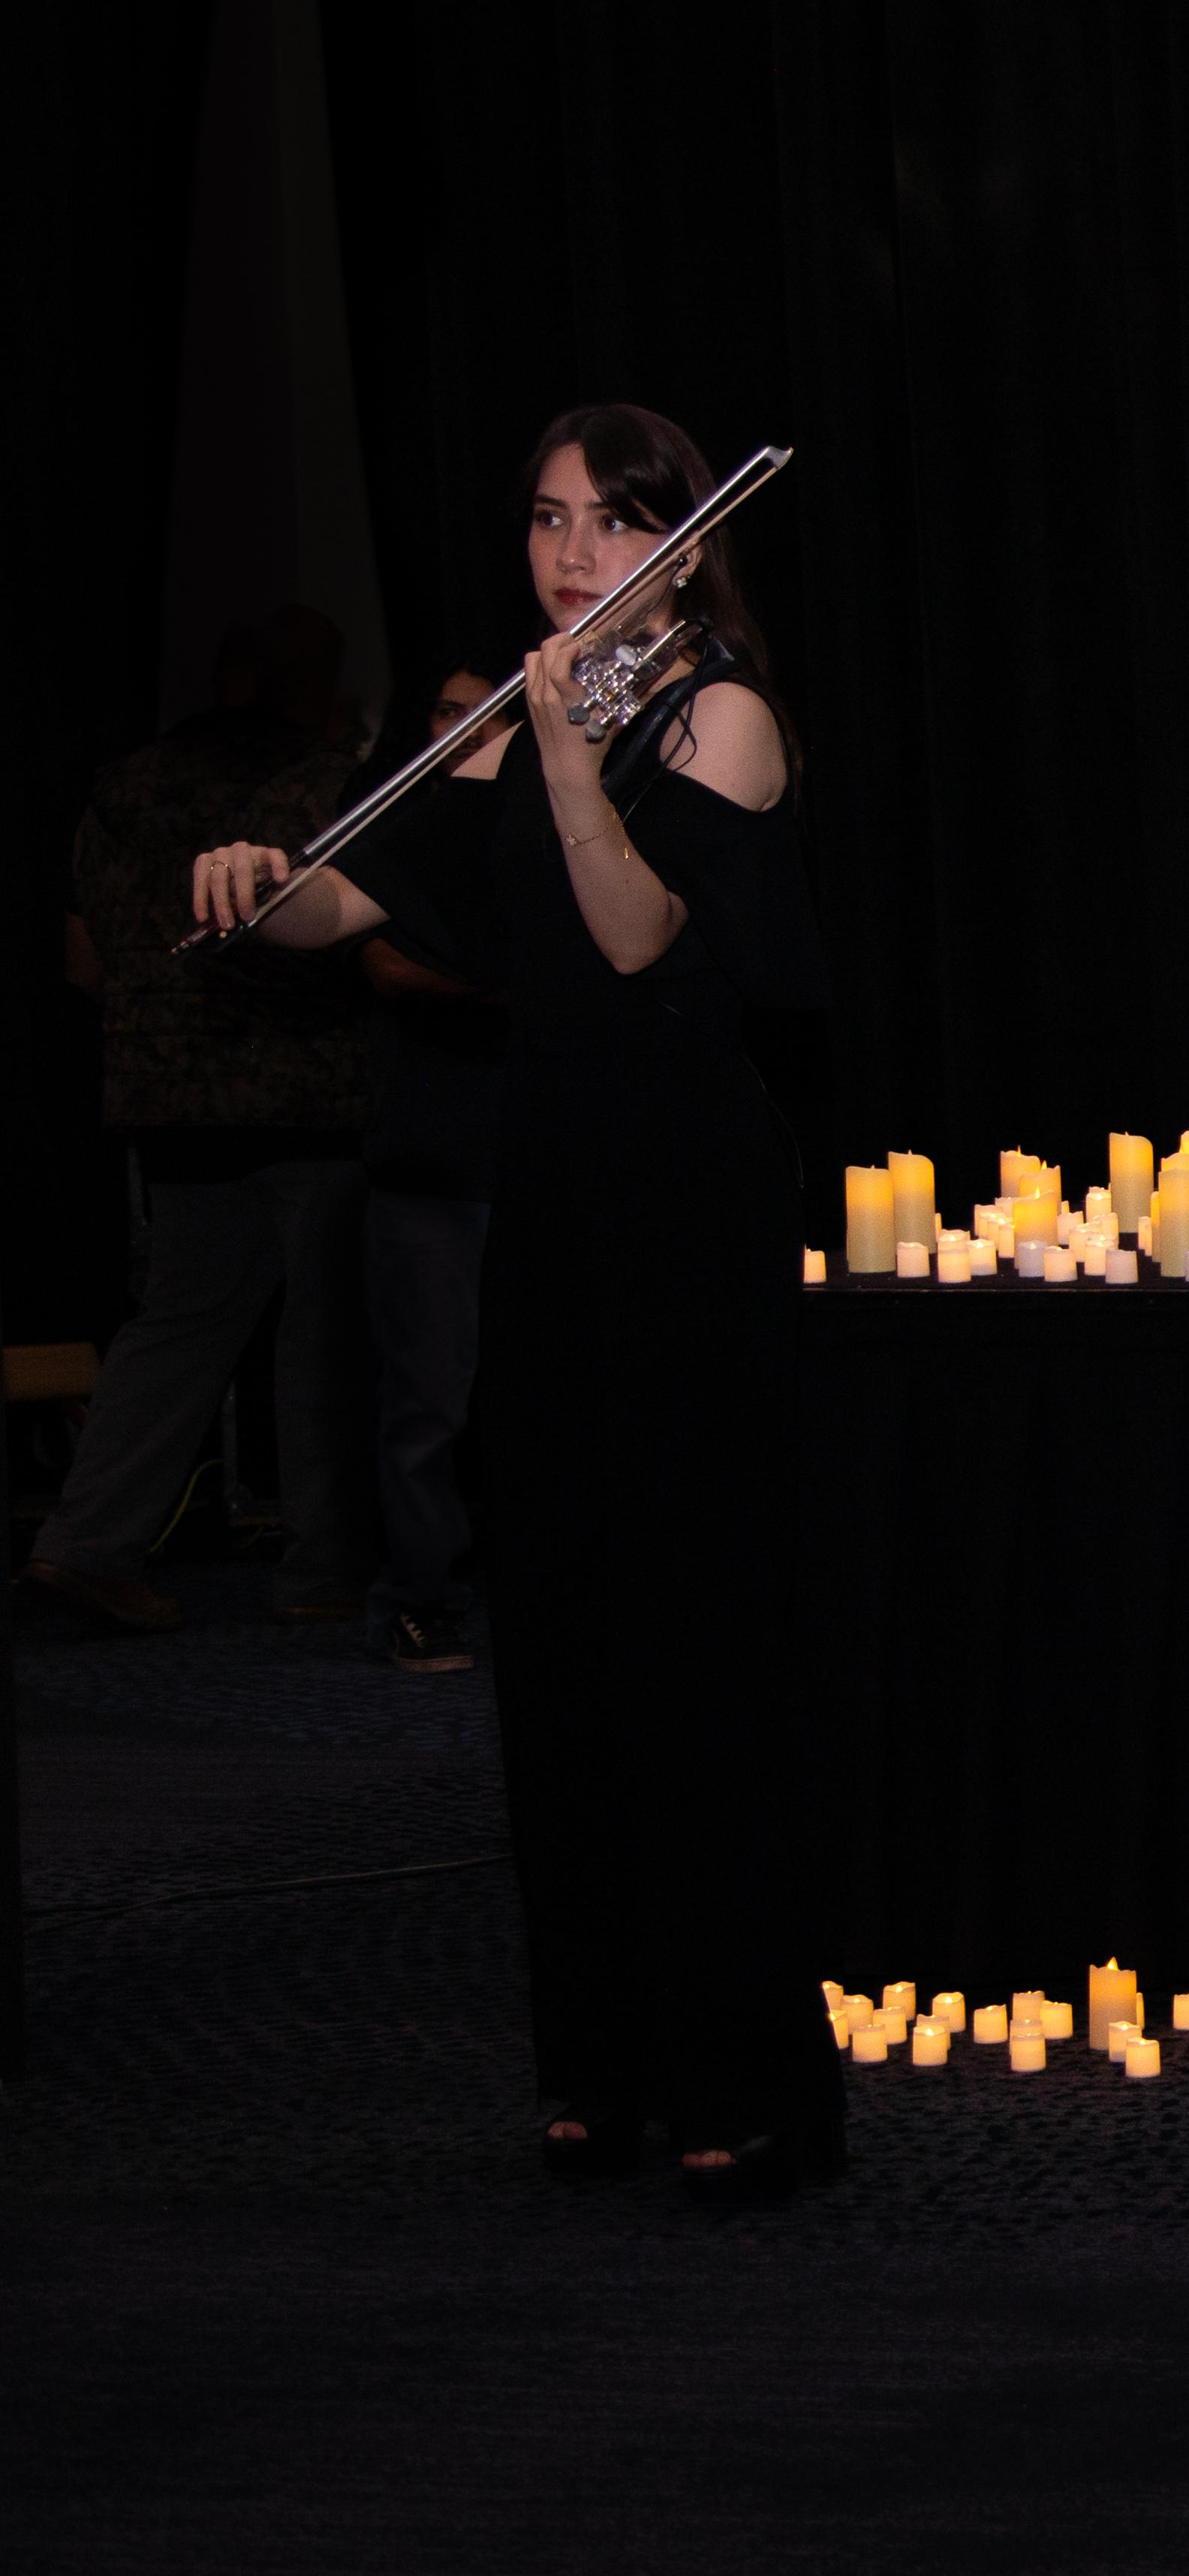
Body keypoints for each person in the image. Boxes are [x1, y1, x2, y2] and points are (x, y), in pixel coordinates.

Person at [188, 404, 836, 2205]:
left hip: (690, 1216)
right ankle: (601, 2063)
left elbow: (633, 935)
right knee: (562, 1645)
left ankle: (744, 2080)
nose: (571, 554)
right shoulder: (494, 721)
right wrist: (261, 884)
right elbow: (355, 901)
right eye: (549, 518)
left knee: (693, 1648)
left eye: (614, 521)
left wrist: (557, 747)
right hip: (546, 1203)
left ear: (685, 545)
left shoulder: (717, 716)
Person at [22, 612, 378, 1637]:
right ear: (311, 688)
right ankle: (323, 1569)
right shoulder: (326, 783)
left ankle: (85, 1547)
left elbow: (83, 960)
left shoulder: (125, 785)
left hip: (170, 1094)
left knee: (177, 1323)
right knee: (323, 1336)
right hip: (311, 1093)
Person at [353, 664, 512, 1675]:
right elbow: (383, 962)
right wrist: (504, 989)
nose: (467, 729)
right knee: (429, 1396)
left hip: (533, 1148)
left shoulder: (546, 823)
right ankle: (418, 1596)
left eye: (486, 712)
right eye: (450, 711)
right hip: (429, 1154)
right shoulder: (400, 828)